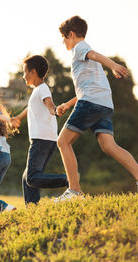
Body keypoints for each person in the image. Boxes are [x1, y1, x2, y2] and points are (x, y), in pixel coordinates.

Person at [55, 15, 138, 201]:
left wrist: (113, 65)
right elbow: (87, 89)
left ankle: (74, 191)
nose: (62, 42)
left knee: (63, 142)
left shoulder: (80, 48)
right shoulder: (85, 58)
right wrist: (68, 104)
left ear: (71, 34)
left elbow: (94, 55)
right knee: (108, 145)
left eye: (63, 37)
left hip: (91, 102)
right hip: (104, 104)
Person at [11, 55, 68, 204]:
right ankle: (32, 209)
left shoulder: (42, 89)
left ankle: (69, 179)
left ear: (33, 72)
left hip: (41, 140)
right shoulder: (37, 91)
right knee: (26, 178)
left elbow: (48, 102)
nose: (23, 76)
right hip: (47, 139)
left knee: (32, 178)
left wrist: (54, 110)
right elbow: (30, 108)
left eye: (25, 72)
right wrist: (17, 118)